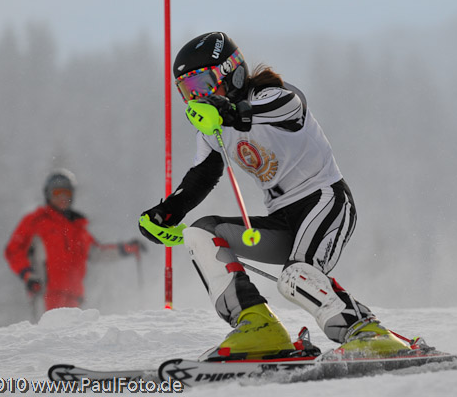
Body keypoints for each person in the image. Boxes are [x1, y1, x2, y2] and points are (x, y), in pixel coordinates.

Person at [139, 32, 410, 360]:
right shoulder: (212, 128)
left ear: (231, 71)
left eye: (202, 86)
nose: (196, 99)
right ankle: (259, 327)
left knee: (297, 277)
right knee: (199, 234)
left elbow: (287, 107)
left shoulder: (270, 96)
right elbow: (202, 177)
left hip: (324, 200)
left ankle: (367, 333)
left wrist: (230, 112)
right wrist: (166, 212)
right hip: (282, 217)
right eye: (187, 91)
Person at [6, 169, 145, 315]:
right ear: (48, 195)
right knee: (49, 335)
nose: (62, 198)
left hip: (74, 297)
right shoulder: (35, 221)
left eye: (67, 193)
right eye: (57, 193)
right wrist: (28, 275)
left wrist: (126, 249)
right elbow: (13, 251)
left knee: (72, 336)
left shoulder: (78, 227)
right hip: (46, 294)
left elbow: (97, 252)